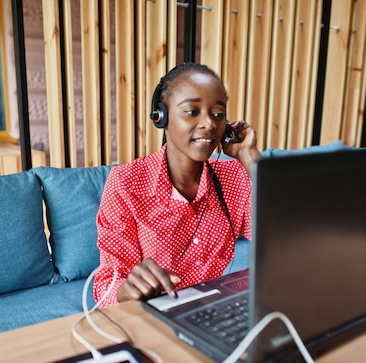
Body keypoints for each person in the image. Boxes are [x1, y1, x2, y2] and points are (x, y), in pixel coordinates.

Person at [93, 62, 261, 307]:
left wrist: (249, 156)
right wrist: (126, 291)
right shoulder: (126, 183)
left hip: (211, 312)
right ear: (161, 116)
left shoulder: (234, 177)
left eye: (218, 114)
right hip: (150, 318)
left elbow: (286, 238)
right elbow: (105, 287)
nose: (209, 124)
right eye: (192, 111)